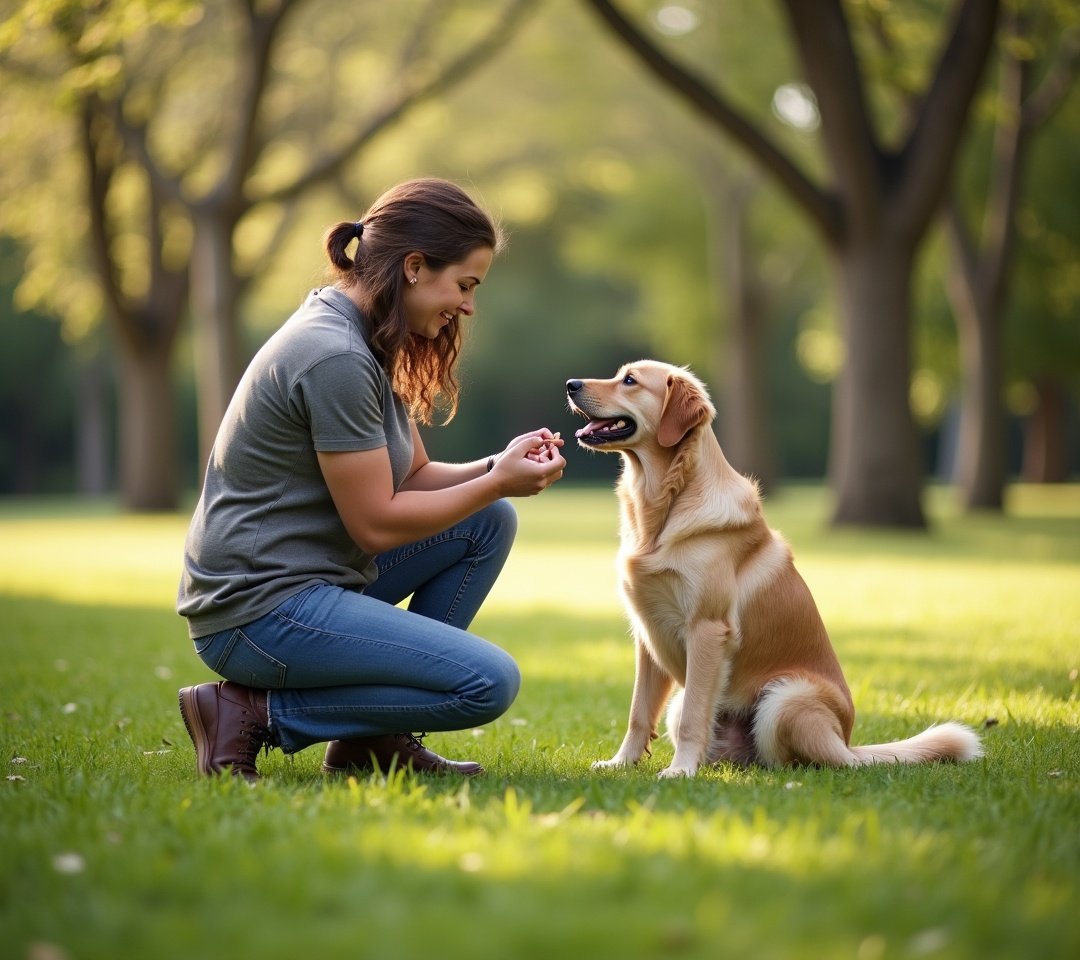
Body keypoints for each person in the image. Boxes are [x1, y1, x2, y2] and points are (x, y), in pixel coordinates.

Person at [176, 177, 566, 782]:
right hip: (257, 613)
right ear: (414, 266)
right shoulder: (334, 356)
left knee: (488, 522)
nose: (468, 306)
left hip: (311, 583)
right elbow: (377, 522)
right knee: (486, 683)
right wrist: (496, 482)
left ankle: (370, 744)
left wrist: (498, 467)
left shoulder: (365, 338)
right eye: (464, 285)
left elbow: (412, 477)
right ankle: (248, 711)